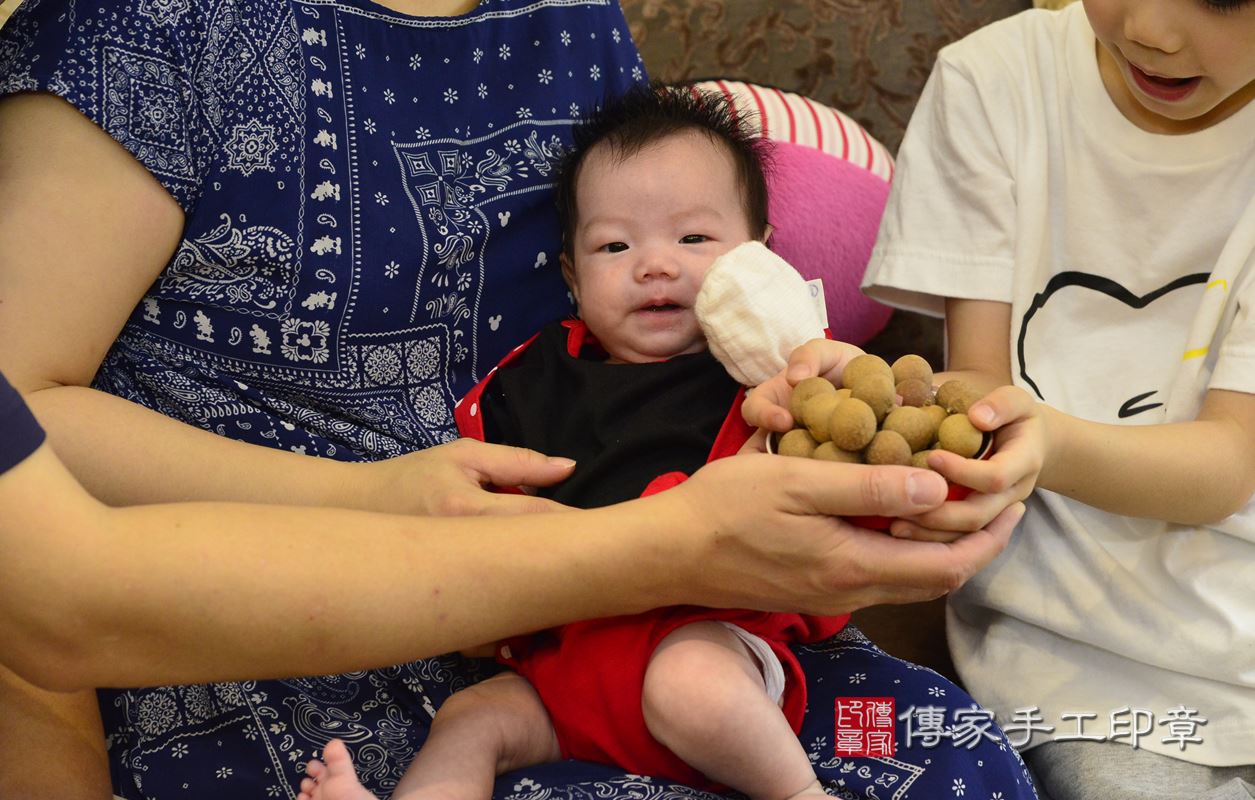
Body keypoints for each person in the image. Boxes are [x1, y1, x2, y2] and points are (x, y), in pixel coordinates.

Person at [0, 1, 1029, 798]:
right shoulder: (150, 31)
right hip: (277, 615)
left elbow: (661, 259)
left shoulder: (575, 25)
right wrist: (379, 501)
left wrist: (885, 436)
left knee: (947, 753)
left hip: (614, 587)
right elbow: (24, 410)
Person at [293, 86, 1036, 800]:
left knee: (689, 686)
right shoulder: (529, 379)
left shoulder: (783, 381)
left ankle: (801, 791)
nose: (654, 263)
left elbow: (842, 490)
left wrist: (834, 392)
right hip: (565, 665)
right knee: (470, 720)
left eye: (694, 238)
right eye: (613, 245)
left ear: (759, 258)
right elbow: (472, 507)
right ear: (571, 278)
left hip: (711, 636)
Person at [859, 0, 1255, 798]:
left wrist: (1048, 439)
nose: (1151, 29)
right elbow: (979, 392)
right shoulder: (995, 80)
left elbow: (1227, 462)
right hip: (1094, 676)